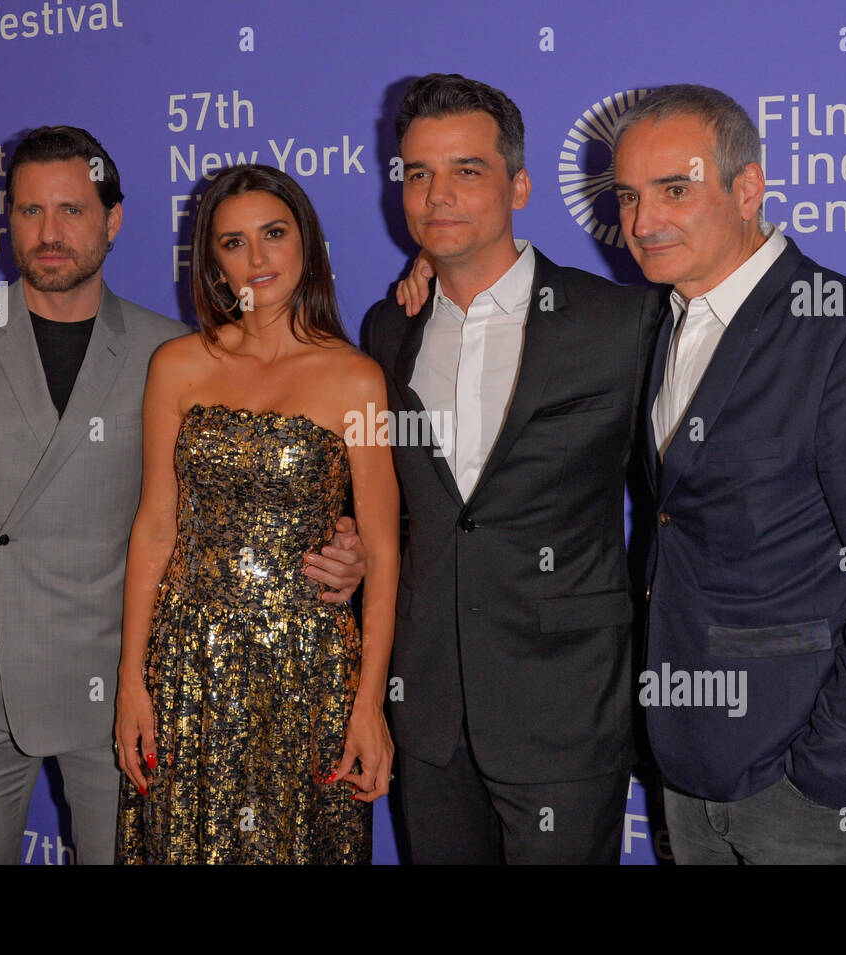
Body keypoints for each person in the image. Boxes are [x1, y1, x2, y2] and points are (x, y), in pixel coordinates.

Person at [0, 128, 366, 865]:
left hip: (127, 693)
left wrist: (340, 548)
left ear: (114, 219)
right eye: (29, 211)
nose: (49, 233)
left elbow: (242, 500)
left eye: (71, 210)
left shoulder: (172, 354)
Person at [610, 84, 846, 863]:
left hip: (805, 783)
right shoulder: (658, 322)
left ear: (748, 189)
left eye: (675, 189)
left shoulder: (845, 331)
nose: (642, 222)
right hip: (686, 765)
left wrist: (831, 763)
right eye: (629, 195)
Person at [364, 74, 659, 864]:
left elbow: (680, 502)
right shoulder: (387, 328)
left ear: (519, 184)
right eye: (417, 173)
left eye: (467, 170)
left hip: (563, 710)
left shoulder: (618, 322)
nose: (436, 195)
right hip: (426, 712)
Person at [114, 164, 399, 864]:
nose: (258, 258)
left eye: (274, 234)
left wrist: (369, 704)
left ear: (306, 241)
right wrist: (130, 680)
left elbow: (386, 552)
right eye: (234, 242)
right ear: (212, 260)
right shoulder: (175, 365)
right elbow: (156, 525)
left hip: (309, 671)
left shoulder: (356, 377)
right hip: (187, 666)